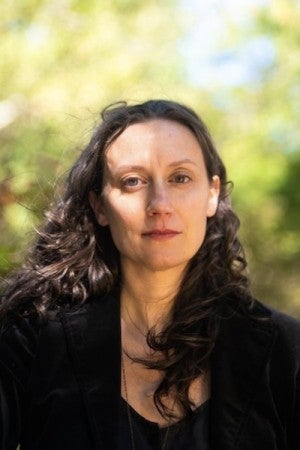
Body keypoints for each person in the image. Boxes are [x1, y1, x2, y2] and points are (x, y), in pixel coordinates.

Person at [0, 99, 299, 450]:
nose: (159, 204)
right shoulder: (31, 338)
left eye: (180, 178)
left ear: (212, 194)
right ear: (100, 206)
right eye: (132, 181)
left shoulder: (284, 351)